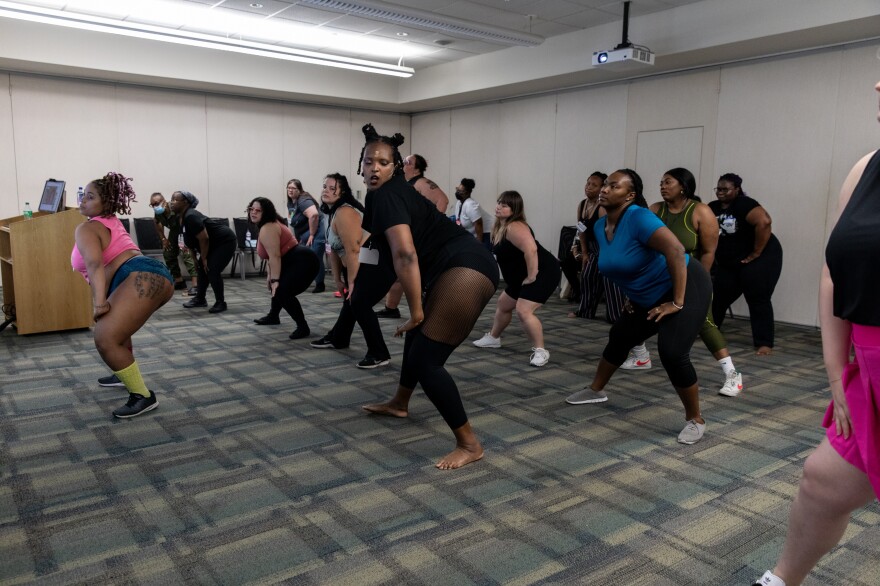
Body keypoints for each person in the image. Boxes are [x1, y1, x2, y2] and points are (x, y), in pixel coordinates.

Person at [751, 80, 880, 586]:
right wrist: (835, 371)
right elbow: (834, 267)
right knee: (823, 482)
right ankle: (783, 579)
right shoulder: (866, 168)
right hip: (868, 363)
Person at [356, 123, 499, 469]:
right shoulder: (381, 194)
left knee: (427, 360)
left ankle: (469, 445)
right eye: (369, 161)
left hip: (466, 266)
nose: (375, 168)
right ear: (360, 164)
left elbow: (405, 255)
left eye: (383, 163)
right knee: (417, 339)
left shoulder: (387, 195)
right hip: (453, 266)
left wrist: (416, 309)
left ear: (396, 167)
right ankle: (400, 402)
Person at [564, 169, 713, 444]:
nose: (604, 189)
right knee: (620, 335)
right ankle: (596, 390)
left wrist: (677, 302)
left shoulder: (639, 217)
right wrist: (630, 295)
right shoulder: (600, 227)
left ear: (630, 196)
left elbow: (676, 251)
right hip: (646, 294)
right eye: (605, 185)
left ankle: (695, 419)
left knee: (672, 352)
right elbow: (620, 265)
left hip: (685, 285)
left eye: (614, 186)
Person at [627, 168, 743, 396]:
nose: (662, 186)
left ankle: (733, 374)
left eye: (668, 182)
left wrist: (700, 283)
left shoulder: (701, 211)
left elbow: (708, 252)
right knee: (636, 314)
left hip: (692, 277)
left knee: (705, 323)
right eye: (661, 183)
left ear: (683, 186)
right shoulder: (655, 210)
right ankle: (641, 357)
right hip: (658, 277)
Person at [72, 172, 173, 417]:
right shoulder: (109, 220)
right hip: (153, 273)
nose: (83, 200)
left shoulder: (87, 228)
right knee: (119, 330)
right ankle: (122, 373)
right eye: (83, 195)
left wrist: (99, 304)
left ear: (106, 202)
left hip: (137, 276)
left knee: (105, 338)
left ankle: (143, 396)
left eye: (90, 197)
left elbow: (95, 265)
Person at [309, 173, 391, 368]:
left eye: (332, 188)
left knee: (359, 302)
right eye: (325, 187)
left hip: (375, 263)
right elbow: (335, 249)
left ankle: (379, 353)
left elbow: (353, 250)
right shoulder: (332, 213)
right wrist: (338, 279)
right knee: (351, 302)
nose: (326, 191)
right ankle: (338, 337)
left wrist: (352, 282)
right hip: (359, 263)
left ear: (342, 192)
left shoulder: (345, 212)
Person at [472, 190, 561, 367]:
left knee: (523, 310)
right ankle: (494, 338)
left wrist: (532, 276)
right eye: (499, 203)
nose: (499, 207)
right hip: (521, 276)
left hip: (543, 272)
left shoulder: (515, 226)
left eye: (504, 205)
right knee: (504, 304)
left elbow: (531, 250)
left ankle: (541, 351)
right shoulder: (500, 226)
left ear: (514, 210)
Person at [709, 173, 783, 355]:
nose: (720, 192)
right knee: (719, 295)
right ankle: (709, 332)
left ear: (737, 189)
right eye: (718, 189)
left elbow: (764, 222)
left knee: (757, 297)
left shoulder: (744, 204)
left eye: (725, 189)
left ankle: (764, 343)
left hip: (761, 258)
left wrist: (756, 252)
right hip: (731, 261)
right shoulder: (713, 207)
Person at [375, 153, 450, 319]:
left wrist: (431, 226)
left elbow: (443, 200)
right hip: (409, 235)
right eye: (404, 161)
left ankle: (424, 312)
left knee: (412, 274)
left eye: (408, 162)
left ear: (417, 170)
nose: (404, 164)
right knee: (400, 273)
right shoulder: (404, 184)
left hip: (423, 238)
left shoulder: (422, 182)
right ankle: (391, 308)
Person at [247, 197, 318, 339]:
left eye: (258, 210)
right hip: (292, 260)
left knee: (281, 290)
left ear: (266, 212)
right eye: (251, 209)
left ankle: (303, 327)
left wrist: (275, 280)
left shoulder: (268, 228)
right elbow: (271, 256)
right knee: (276, 288)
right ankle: (273, 316)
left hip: (303, 261)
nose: (253, 212)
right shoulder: (266, 225)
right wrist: (271, 276)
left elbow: (275, 256)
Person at [569, 172, 627, 322]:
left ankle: (616, 317)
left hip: (606, 247)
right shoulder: (582, 205)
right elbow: (581, 230)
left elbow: (607, 233)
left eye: (594, 185)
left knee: (610, 280)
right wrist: (584, 253)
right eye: (588, 183)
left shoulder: (603, 207)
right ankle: (585, 311)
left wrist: (607, 256)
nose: (588, 187)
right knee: (587, 276)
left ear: (603, 188)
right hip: (592, 247)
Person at [168, 190, 237, 313]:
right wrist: (195, 260)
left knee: (211, 269)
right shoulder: (181, 218)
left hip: (224, 241)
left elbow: (204, 238)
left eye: (175, 200)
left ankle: (221, 303)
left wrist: (204, 258)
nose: (171, 202)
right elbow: (189, 240)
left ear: (185, 202)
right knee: (201, 268)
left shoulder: (191, 216)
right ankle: (200, 299)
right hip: (212, 243)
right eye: (171, 199)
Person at [149, 192, 197, 293]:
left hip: (187, 231)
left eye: (156, 203)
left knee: (186, 254)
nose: (154, 207)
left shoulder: (175, 207)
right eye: (152, 205)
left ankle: (196, 284)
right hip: (175, 232)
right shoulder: (158, 213)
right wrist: (163, 239)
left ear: (164, 201)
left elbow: (188, 219)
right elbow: (157, 222)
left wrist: (184, 240)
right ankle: (179, 281)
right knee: (168, 253)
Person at [287, 179, 327, 293]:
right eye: (289, 188)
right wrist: (296, 238)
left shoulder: (303, 200)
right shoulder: (291, 202)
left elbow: (314, 215)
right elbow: (292, 220)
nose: (290, 190)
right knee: (302, 257)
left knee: (315, 255)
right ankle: (304, 281)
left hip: (317, 230)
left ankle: (320, 284)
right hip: (304, 232)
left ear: (299, 190)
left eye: (293, 188)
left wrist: (312, 234)